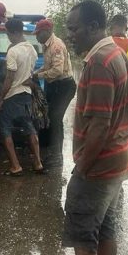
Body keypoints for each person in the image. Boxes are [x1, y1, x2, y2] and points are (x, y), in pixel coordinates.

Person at [54, 0, 128, 255]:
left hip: (99, 166)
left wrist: (82, 168)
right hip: (118, 161)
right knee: (107, 229)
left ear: (92, 25)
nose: (70, 34)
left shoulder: (100, 61)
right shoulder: (117, 54)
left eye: (73, 28)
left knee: (84, 235)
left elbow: (100, 124)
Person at [0, 18, 44, 176]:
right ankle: (38, 163)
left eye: (8, 34)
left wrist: (1, 98)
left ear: (13, 32)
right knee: (30, 128)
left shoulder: (13, 51)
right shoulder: (32, 49)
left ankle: (16, 166)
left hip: (13, 95)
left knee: (5, 129)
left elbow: (9, 78)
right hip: (26, 95)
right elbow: (29, 72)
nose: (8, 37)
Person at [32, 19, 76, 164]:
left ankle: (57, 155)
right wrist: (34, 73)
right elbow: (47, 67)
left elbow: (57, 70)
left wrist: (37, 76)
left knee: (55, 118)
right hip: (54, 85)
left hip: (64, 86)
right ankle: (49, 147)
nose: (36, 37)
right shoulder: (46, 45)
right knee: (48, 115)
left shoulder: (56, 46)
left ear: (48, 31)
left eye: (38, 33)